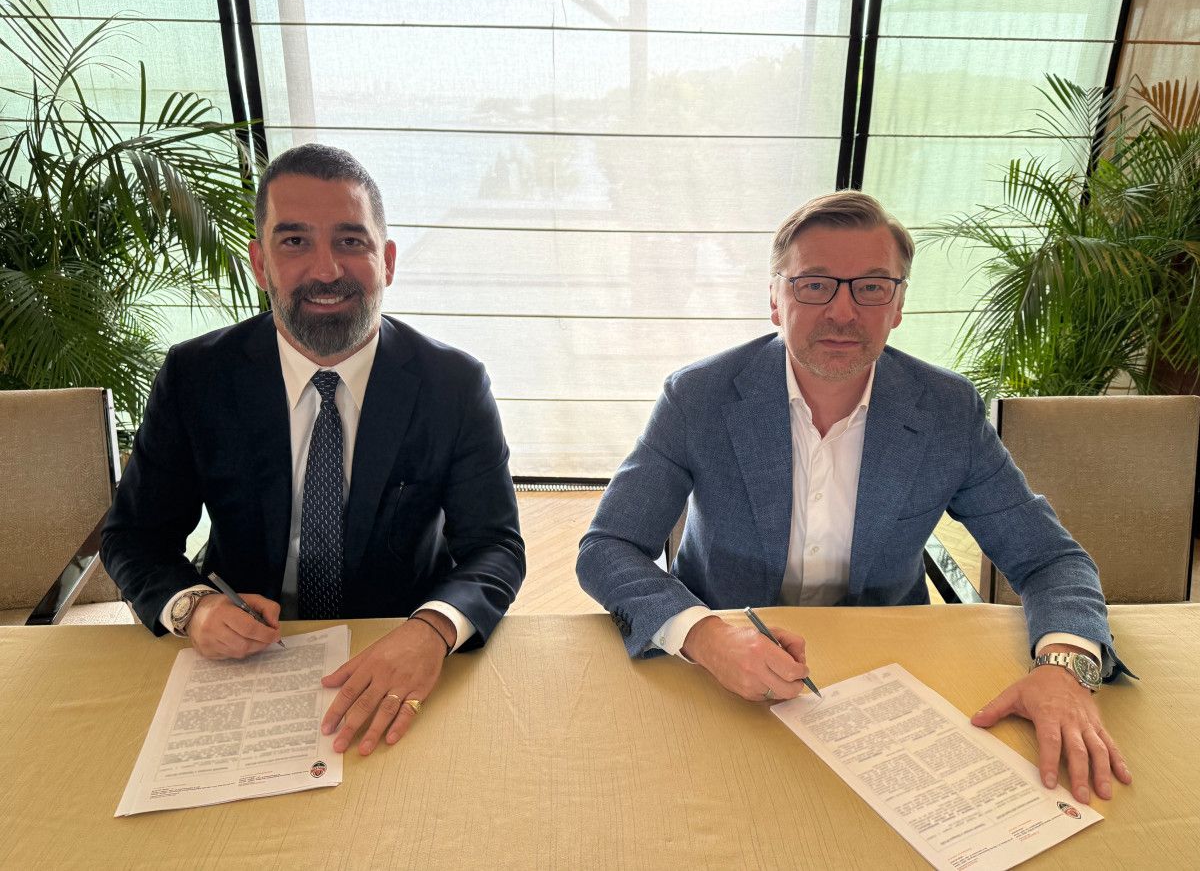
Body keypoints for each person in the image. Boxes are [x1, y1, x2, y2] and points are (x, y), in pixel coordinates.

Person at [576, 191, 1132, 805]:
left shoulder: (946, 411)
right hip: (721, 670)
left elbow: (1049, 558)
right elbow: (608, 548)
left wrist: (1064, 666)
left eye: (871, 287)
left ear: (897, 306)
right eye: (815, 285)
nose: (843, 312)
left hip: (889, 673)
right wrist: (704, 635)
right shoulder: (698, 398)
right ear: (775, 299)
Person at [102, 144, 524, 757]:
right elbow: (135, 536)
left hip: (399, 648)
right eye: (295, 242)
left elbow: (495, 546)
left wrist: (432, 629)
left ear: (387, 261)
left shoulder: (453, 384)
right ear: (260, 262)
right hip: (241, 660)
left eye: (350, 241)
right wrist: (193, 608)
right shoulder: (197, 376)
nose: (326, 270)